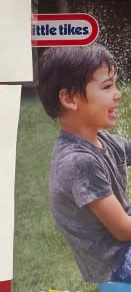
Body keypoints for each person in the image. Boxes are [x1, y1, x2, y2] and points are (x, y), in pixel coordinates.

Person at [38, 43, 131, 283]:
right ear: (69, 98)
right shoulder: (78, 161)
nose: (118, 93)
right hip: (118, 264)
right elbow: (122, 229)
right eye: (107, 86)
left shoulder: (102, 140)